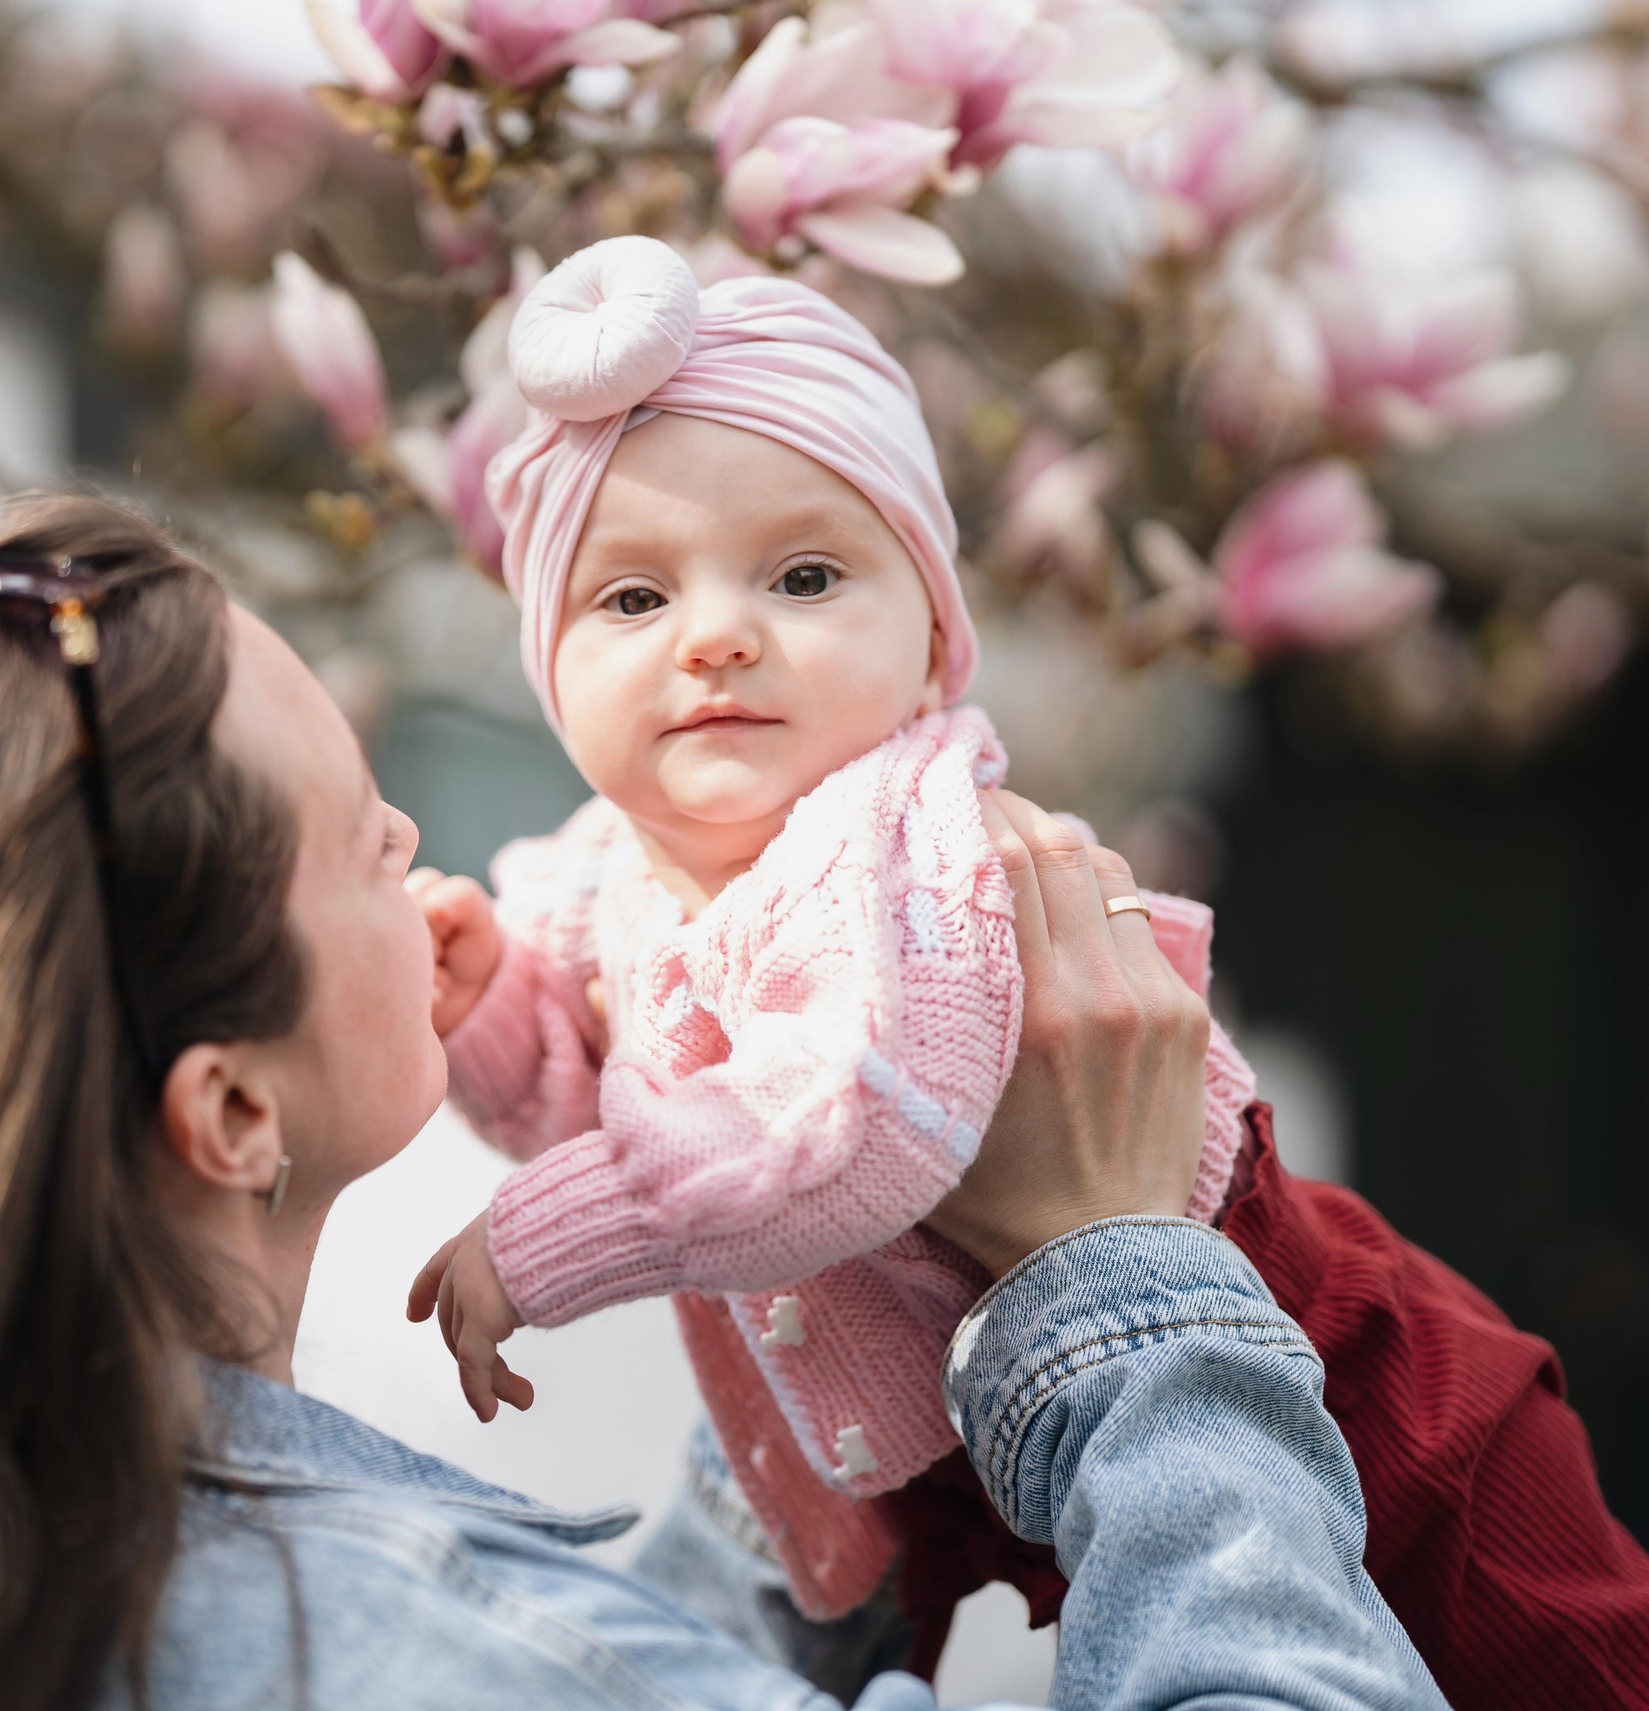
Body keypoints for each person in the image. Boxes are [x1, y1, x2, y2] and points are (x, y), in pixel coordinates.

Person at [0, 494, 1444, 1711]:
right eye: (358, 836)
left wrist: (841, 1326)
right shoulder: (425, 1649)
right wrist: (1113, 1279)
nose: (415, 843)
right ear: (226, 1111)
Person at [402, 235, 1265, 1624]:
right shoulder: (599, 872)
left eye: (803, 579)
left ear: (932, 647)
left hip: (1244, 1335)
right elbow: (608, 1111)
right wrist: (494, 1004)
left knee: (1523, 1631)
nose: (716, 636)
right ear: (551, 671)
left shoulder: (906, 842)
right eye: (634, 597)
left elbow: (838, 1132)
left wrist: (539, 1244)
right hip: (966, 1443)